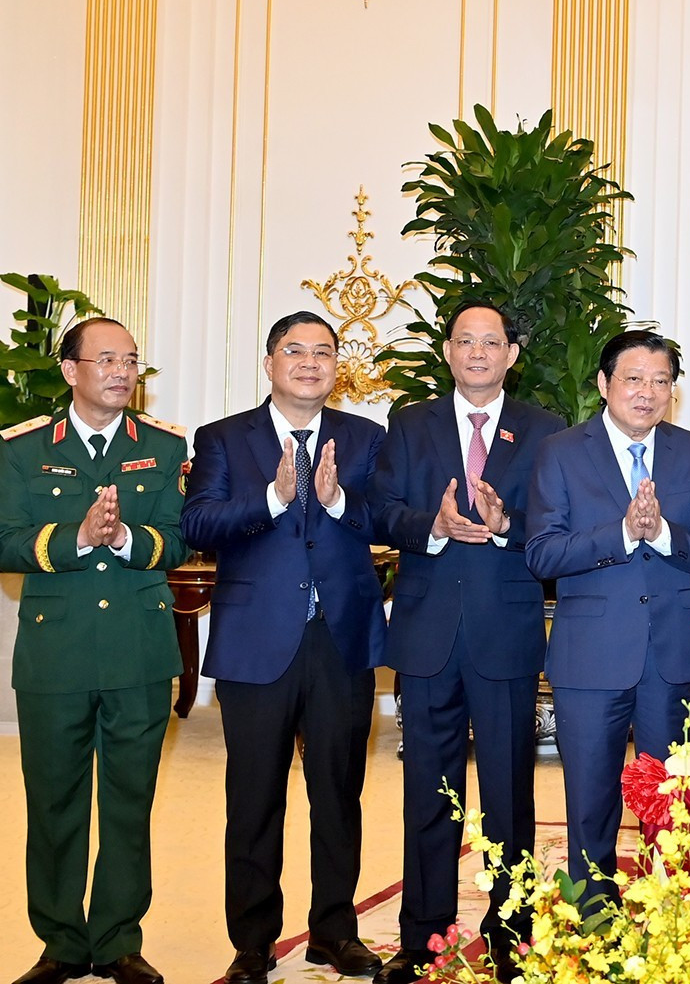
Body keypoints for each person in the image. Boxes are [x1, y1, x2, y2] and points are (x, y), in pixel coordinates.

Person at [180, 311, 388, 984]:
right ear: (269, 362)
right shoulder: (222, 438)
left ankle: (334, 931)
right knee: (254, 797)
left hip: (338, 640)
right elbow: (198, 521)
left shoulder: (365, 437)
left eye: (323, 352)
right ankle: (252, 943)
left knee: (338, 793)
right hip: (255, 644)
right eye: (294, 350)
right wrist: (273, 496)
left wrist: (335, 502)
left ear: (337, 366)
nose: (309, 362)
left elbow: (386, 519)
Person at [367, 302, 564, 981]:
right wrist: (434, 523)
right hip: (425, 632)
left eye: (492, 341)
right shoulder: (410, 422)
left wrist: (509, 522)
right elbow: (381, 507)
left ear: (512, 353)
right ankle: (421, 936)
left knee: (510, 791)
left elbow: (556, 523)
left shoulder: (545, 429)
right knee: (428, 788)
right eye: (465, 340)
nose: (477, 351)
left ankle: (510, 930)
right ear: (447, 351)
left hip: (505, 631)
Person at [0, 318, 187, 984]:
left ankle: (117, 941)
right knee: (53, 801)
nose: (121, 370)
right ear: (71, 370)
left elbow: (177, 539)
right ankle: (59, 942)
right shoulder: (21, 452)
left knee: (129, 800)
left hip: (140, 650)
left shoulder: (164, 448)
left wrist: (126, 537)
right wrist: (74, 537)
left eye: (130, 359)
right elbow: (5, 540)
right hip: (57, 654)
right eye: (105, 358)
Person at [525, 327, 690, 899]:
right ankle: (593, 915)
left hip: (670, 654)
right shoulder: (561, 452)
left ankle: (670, 916)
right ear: (605, 383)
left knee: (670, 799)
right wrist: (624, 533)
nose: (646, 394)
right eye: (633, 380)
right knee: (590, 797)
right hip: (591, 657)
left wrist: (661, 535)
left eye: (660, 382)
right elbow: (542, 553)